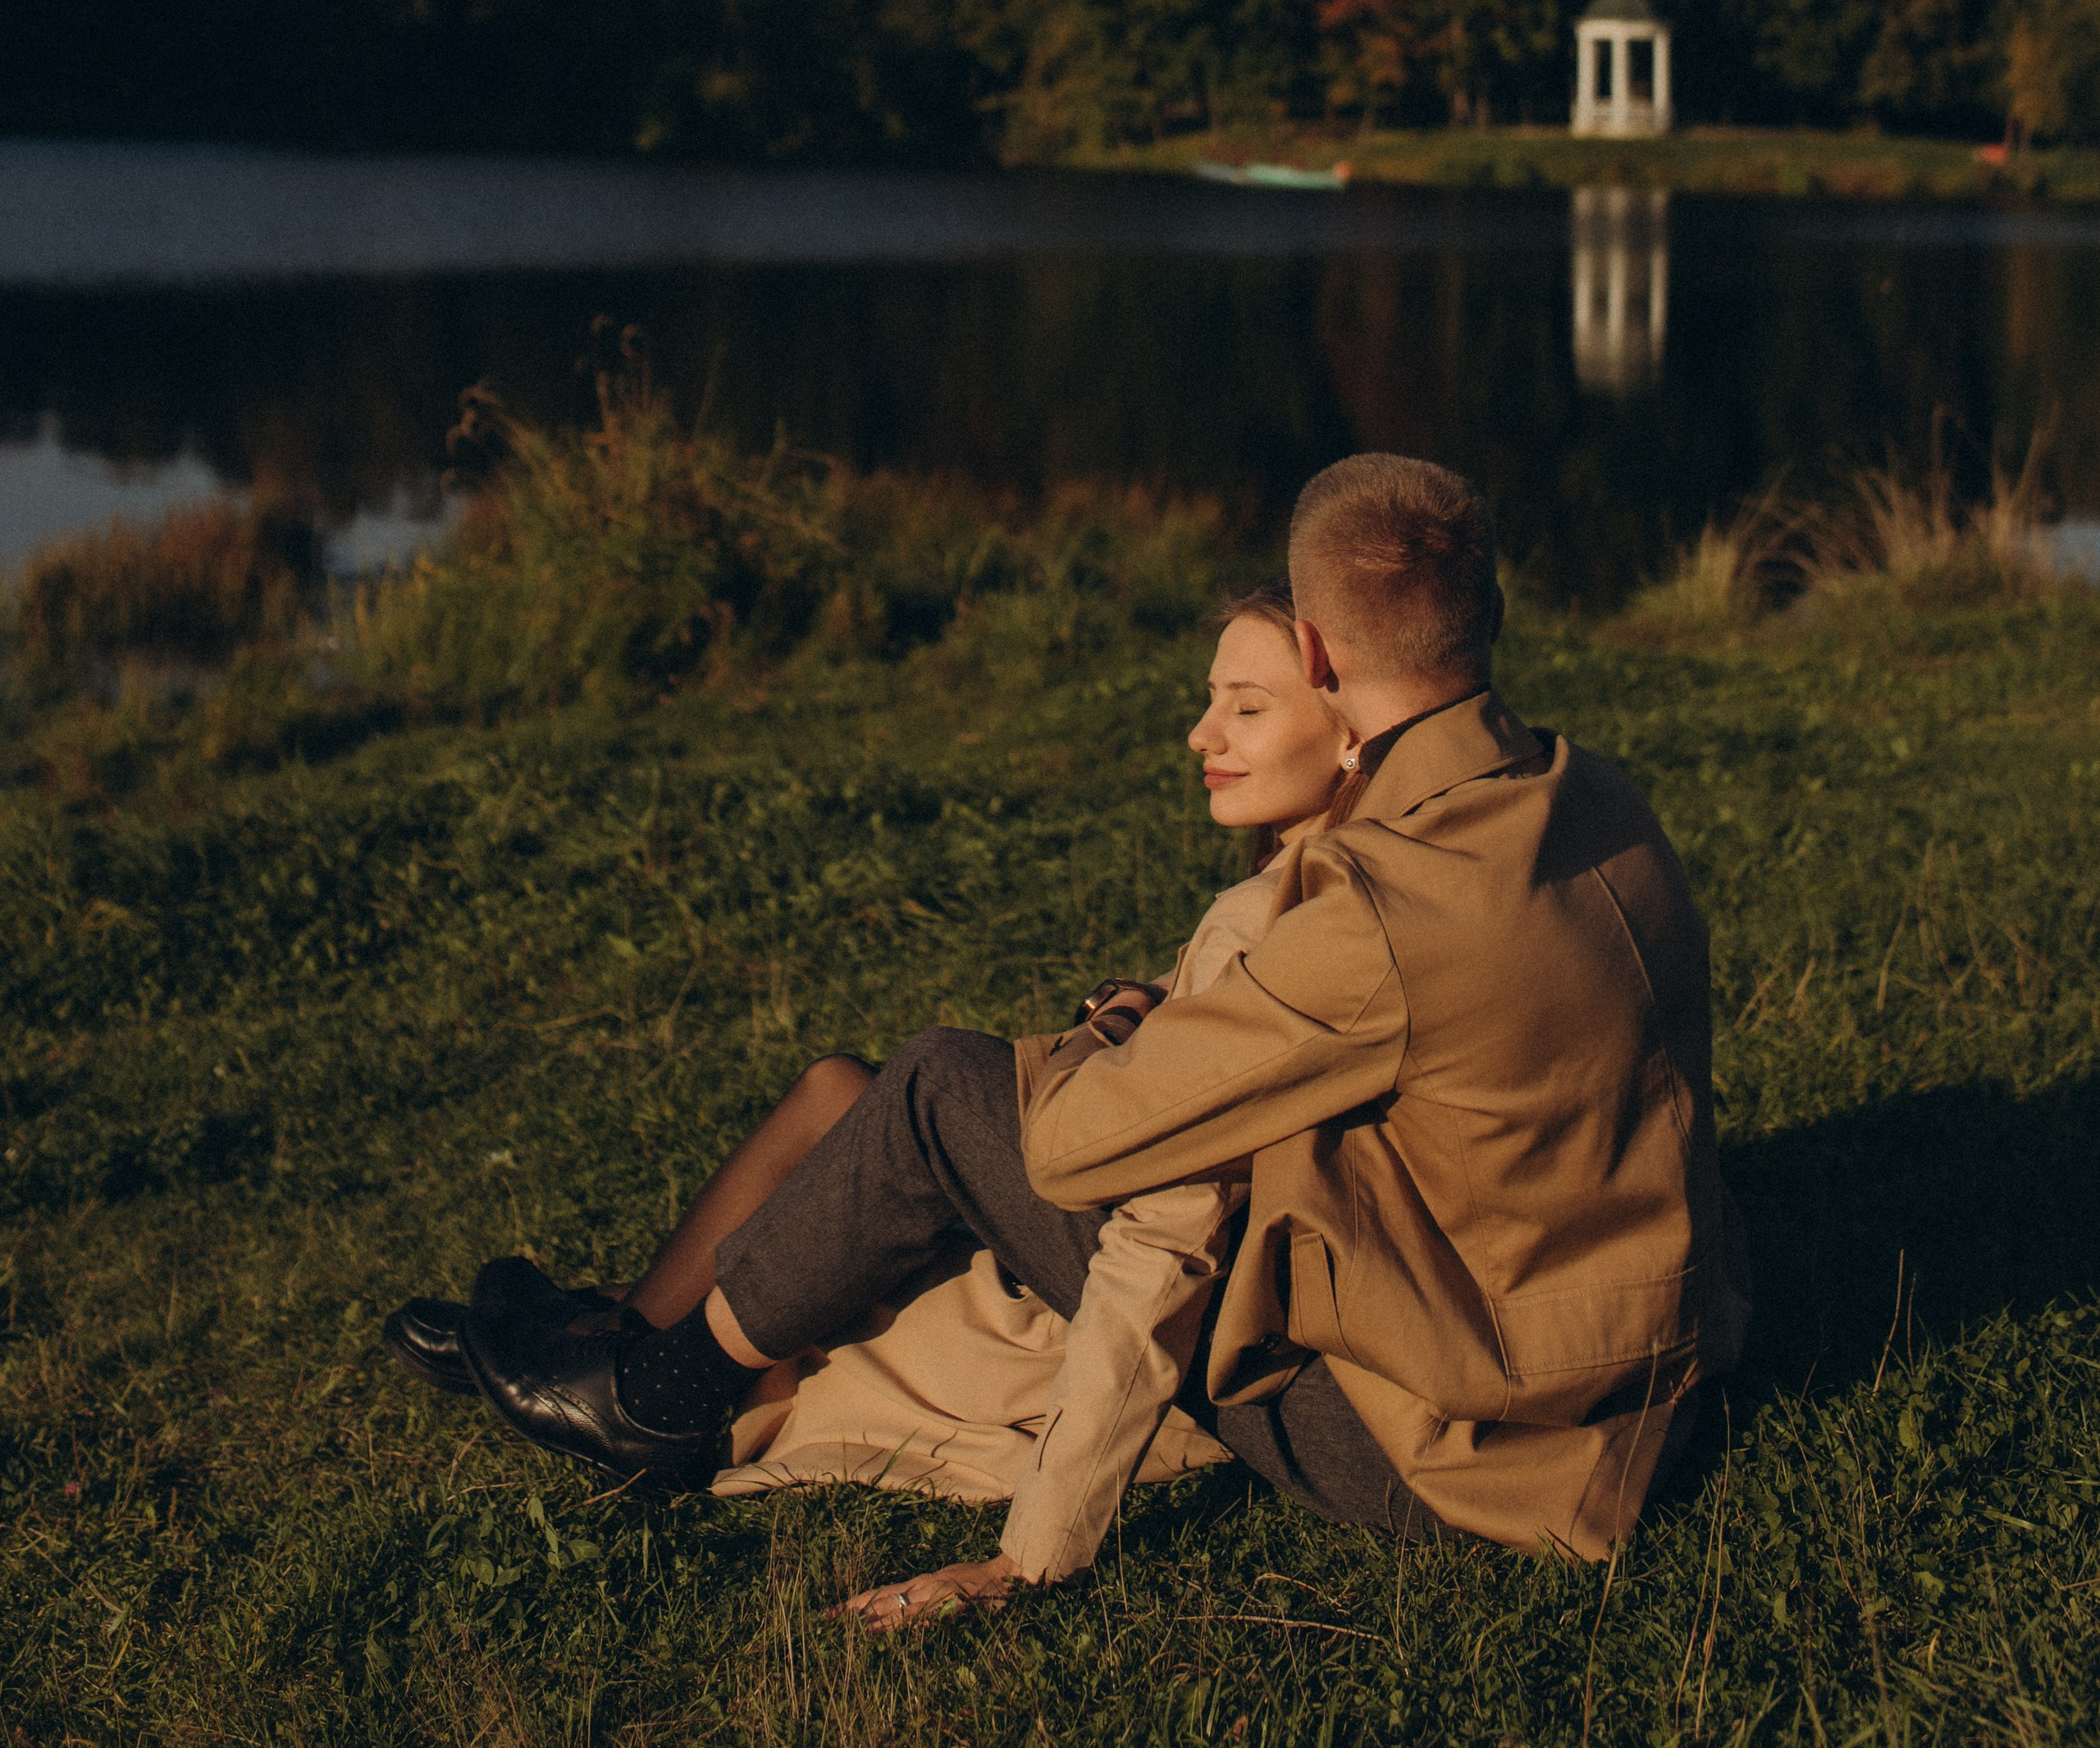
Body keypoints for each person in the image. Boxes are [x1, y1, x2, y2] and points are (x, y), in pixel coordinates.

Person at [390, 451, 1747, 1595]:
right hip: (1632, 1393)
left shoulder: (1375, 918)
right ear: (1486, 617)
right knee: (885, 1094)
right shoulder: (1595, 797)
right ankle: (630, 1334)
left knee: (935, 1091)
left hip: (1445, 1447)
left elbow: (1079, 1156)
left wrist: (1124, 1027)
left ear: (1324, 657)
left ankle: (658, 1398)